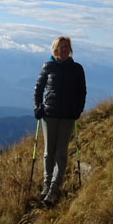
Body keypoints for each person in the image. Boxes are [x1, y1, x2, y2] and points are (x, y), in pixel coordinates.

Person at [33, 35, 87, 205]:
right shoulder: (48, 66)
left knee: (60, 153)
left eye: (66, 47)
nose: (63, 50)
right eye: (60, 47)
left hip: (67, 116)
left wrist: (78, 110)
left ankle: (53, 189)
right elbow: (38, 88)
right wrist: (38, 106)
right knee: (49, 152)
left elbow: (81, 91)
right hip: (49, 115)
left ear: (70, 49)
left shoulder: (77, 69)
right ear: (55, 49)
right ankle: (46, 185)